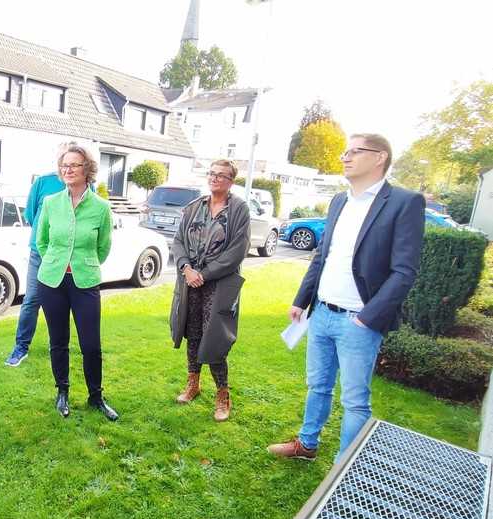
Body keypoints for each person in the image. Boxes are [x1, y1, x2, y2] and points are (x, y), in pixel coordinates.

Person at [268, 133, 425, 462]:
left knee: (354, 400)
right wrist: (302, 299)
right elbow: (322, 256)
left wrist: (367, 318)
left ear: (379, 157)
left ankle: (343, 469)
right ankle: (307, 445)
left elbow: (404, 271)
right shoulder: (339, 200)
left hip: (359, 320)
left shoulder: (403, 202)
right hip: (322, 313)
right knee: (318, 386)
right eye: (345, 151)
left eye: (355, 151)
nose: (344, 157)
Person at [37, 144, 118, 421]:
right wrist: (57, 262)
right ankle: (62, 392)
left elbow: (103, 247)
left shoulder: (100, 208)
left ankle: (96, 396)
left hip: (85, 283)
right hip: (52, 282)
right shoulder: (50, 203)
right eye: (65, 165)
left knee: (91, 344)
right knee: (58, 341)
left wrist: (83, 265)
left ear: (88, 170)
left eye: (75, 165)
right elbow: (42, 241)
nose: (68, 169)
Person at [169, 159, 251, 422]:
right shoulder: (194, 207)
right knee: (191, 332)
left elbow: (237, 251)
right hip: (190, 281)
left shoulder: (238, 210)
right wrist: (186, 269)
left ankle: (222, 394)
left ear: (231, 181)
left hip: (219, 284)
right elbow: (178, 241)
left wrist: (204, 274)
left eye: (222, 175)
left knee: (215, 338)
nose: (215, 179)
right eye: (212, 174)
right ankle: (193, 383)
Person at [4, 143, 74, 367]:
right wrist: (48, 238)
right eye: (64, 160)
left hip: (69, 255)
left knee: (68, 300)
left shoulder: (84, 186)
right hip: (40, 252)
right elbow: (32, 215)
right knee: (32, 299)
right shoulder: (43, 182)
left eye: (73, 161)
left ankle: (62, 345)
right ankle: (21, 346)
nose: (68, 166)